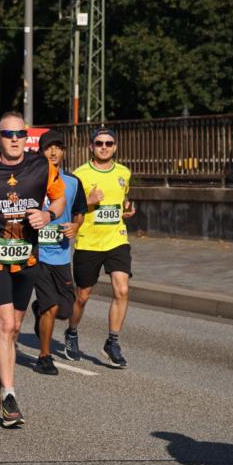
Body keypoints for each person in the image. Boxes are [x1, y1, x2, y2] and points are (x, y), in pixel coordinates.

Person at [0, 111, 66, 428]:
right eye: (7, 135)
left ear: (26, 137)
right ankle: (9, 397)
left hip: (28, 258)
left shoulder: (42, 166)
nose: (14, 139)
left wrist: (48, 215)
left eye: (19, 134)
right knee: (6, 324)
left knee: (14, 327)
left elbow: (60, 199)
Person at [64, 128, 136, 367]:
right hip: (89, 242)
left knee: (122, 289)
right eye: (99, 143)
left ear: (115, 146)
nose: (104, 147)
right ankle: (72, 332)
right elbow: (71, 209)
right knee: (82, 296)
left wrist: (126, 209)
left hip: (116, 239)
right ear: (91, 147)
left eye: (109, 143)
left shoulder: (124, 172)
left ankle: (112, 342)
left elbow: (123, 199)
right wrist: (89, 201)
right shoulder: (80, 174)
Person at [30, 131, 87, 375]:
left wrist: (76, 226)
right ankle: (45, 357)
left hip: (62, 255)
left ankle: (38, 310)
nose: (54, 152)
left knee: (65, 310)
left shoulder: (73, 182)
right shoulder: (31, 181)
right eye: (48, 148)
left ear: (63, 152)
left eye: (58, 148)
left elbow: (80, 211)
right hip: (37, 254)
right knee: (51, 307)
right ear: (40, 152)